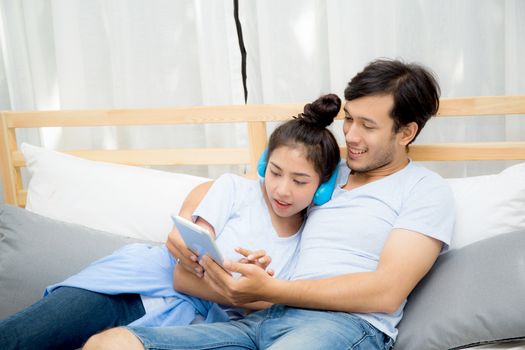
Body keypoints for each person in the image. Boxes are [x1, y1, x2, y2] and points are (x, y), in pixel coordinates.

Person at [83, 58, 455, 350]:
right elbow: (239, 186)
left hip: (344, 326)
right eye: (348, 120)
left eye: (368, 126)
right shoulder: (324, 170)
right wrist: (189, 223)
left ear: (406, 132)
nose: (351, 136)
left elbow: (385, 291)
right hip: (264, 318)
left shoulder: (424, 190)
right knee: (110, 343)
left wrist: (270, 289)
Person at [0, 94, 342, 350]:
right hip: (133, 282)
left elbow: (270, 304)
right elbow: (183, 274)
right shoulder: (233, 189)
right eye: (277, 173)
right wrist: (241, 287)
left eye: (300, 181)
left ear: (322, 187)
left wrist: (254, 287)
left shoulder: (311, 243)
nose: (282, 190)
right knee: (18, 338)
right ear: (265, 165)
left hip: (183, 323)